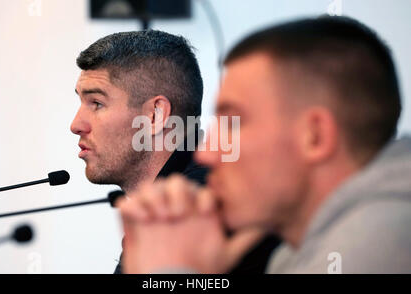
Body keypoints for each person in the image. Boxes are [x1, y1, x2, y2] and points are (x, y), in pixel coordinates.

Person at [117, 16, 411, 274]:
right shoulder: (297, 252)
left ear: (315, 136)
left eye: (236, 121)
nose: (206, 153)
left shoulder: (375, 243)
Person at [71, 30, 279, 274]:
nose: (76, 125)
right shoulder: (172, 201)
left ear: (155, 115)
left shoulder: (200, 210)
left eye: (96, 103)